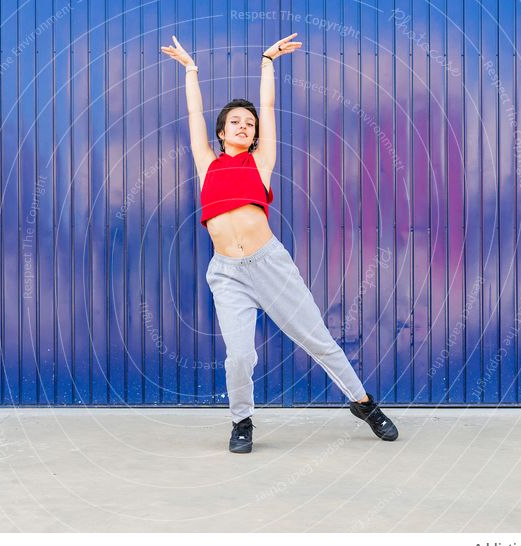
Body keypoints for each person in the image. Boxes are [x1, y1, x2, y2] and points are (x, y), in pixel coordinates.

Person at [161, 33, 398, 453]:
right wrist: (190, 70)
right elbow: (194, 113)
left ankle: (363, 403)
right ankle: (242, 421)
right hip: (226, 273)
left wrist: (267, 60)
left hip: (269, 265)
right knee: (239, 356)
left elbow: (267, 107)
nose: (244, 126)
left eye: (248, 124)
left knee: (316, 339)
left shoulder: (260, 161)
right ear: (222, 132)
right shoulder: (207, 164)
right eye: (235, 121)